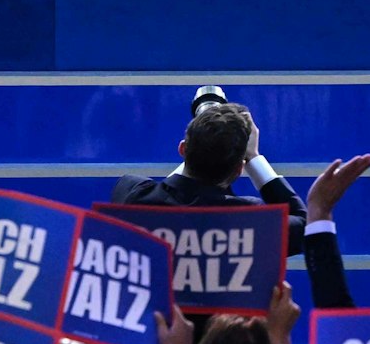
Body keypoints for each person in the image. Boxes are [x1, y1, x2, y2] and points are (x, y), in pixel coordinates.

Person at [110, 101, 311, 254]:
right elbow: (307, 227)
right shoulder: (251, 221)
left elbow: (164, 194)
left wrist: (205, 137)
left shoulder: (132, 194)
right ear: (239, 170)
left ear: (182, 149)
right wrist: (253, 157)